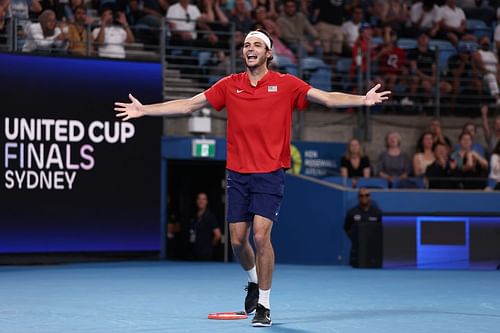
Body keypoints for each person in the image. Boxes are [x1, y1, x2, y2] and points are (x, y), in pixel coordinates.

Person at [114, 28, 390, 327]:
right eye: (246, 44)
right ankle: (254, 282)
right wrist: (144, 110)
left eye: (257, 44)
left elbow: (325, 97)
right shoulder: (229, 85)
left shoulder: (286, 84)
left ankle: (264, 306)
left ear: (269, 53)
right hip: (238, 173)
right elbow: (190, 104)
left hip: (270, 172)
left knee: (260, 236)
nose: (250, 48)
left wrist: (362, 99)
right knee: (236, 241)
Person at [343, 187, 382, 267]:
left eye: (366, 195)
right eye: (361, 195)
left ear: (370, 196)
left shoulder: (377, 212)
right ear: (358, 197)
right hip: (357, 251)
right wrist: (355, 238)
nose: (364, 197)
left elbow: (381, 229)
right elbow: (346, 228)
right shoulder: (352, 212)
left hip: (374, 252)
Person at [189, 192, 222, 261]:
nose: (201, 201)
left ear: (206, 202)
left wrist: (210, 246)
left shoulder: (210, 217)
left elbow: (218, 235)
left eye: (203, 199)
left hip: (205, 253)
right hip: (193, 251)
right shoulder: (193, 216)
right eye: (199, 199)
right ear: (196, 201)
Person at [472, 36, 500, 104]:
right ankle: (497, 98)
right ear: (480, 43)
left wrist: (498, 74)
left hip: (496, 74)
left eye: (487, 42)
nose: (486, 43)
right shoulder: (477, 53)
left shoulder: (493, 54)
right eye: (484, 42)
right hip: (484, 76)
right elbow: (480, 66)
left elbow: (498, 65)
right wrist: (493, 73)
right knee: (491, 77)